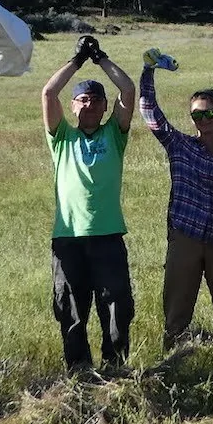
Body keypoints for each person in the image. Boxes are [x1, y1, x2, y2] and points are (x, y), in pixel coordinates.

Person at [137, 53, 213, 349]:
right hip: (185, 236)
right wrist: (148, 71)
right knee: (176, 312)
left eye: (208, 114)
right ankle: (174, 365)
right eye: (197, 115)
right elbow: (149, 111)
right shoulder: (179, 146)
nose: (203, 120)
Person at [41, 34, 137, 377]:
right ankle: (79, 372)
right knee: (70, 309)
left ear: (104, 107)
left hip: (108, 235)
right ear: (73, 106)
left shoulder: (115, 134)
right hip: (68, 237)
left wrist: (102, 59)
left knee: (117, 308)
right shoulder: (61, 138)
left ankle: (115, 371)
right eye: (83, 99)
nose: (91, 105)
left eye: (97, 100)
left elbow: (128, 92)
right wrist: (77, 60)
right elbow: (48, 93)